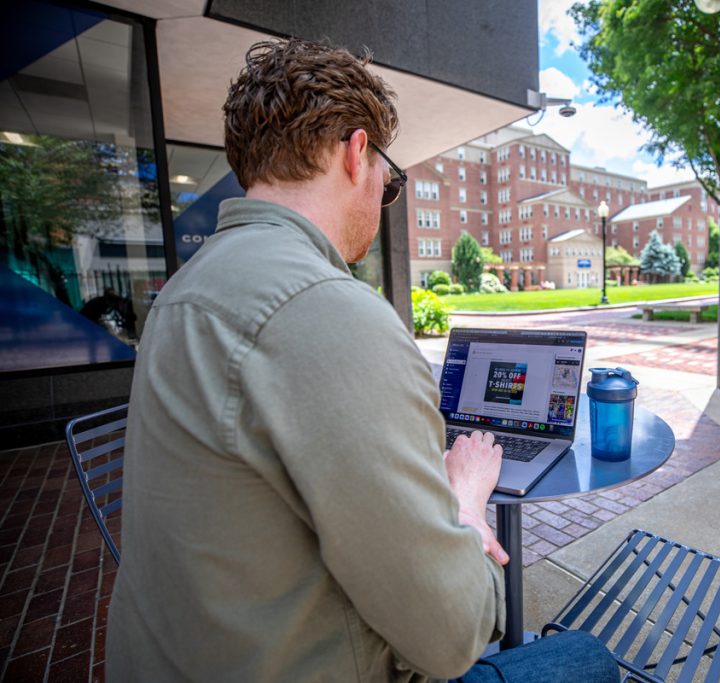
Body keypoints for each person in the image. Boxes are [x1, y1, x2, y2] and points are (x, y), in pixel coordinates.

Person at [106, 38, 620, 683]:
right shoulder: (330, 310)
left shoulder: (182, 291)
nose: (385, 194)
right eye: (391, 181)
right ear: (357, 153)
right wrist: (463, 499)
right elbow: (454, 637)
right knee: (588, 659)